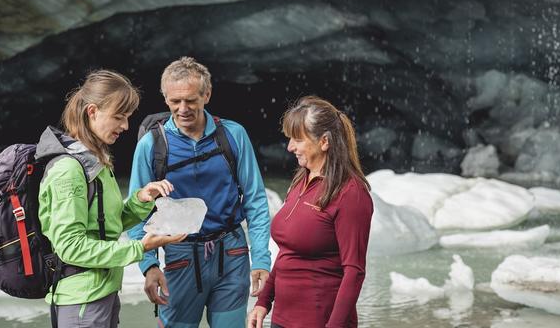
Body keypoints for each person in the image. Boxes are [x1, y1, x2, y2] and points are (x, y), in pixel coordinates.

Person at [128, 57, 271, 327]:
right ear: (165, 98)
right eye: (174, 101)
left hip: (232, 255)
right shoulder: (151, 145)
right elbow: (137, 211)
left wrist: (261, 258)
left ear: (207, 94)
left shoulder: (233, 135)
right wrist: (149, 265)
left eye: (191, 100)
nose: (182, 109)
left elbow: (255, 200)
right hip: (179, 257)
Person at [38, 69, 187, 328]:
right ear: (92, 112)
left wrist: (142, 199)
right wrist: (140, 248)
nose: (126, 126)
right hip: (80, 301)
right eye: (119, 117)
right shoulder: (69, 170)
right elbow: (71, 247)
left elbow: (107, 224)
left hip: (102, 293)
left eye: (128, 117)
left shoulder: (96, 162)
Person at [248, 96, 374, 328]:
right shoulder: (301, 180)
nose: (290, 147)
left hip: (320, 320)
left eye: (297, 139)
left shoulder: (351, 193)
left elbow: (354, 272)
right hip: (282, 319)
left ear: (324, 141)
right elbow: (289, 252)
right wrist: (263, 302)